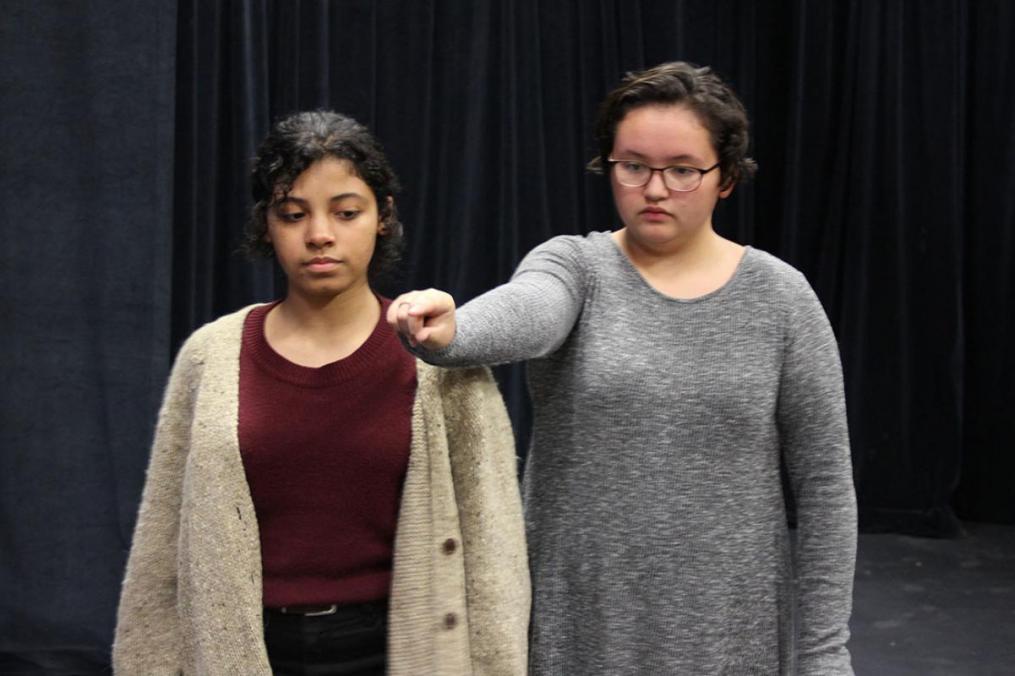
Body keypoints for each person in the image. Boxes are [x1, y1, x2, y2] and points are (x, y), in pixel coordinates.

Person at [389, 62, 857, 675]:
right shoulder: (576, 267)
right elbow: (532, 307)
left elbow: (825, 487)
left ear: (726, 179)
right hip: (581, 626)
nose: (655, 189)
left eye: (682, 170)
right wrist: (455, 330)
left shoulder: (780, 298)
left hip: (731, 636)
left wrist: (824, 656)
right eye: (633, 166)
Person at [113, 110, 529, 675]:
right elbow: (162, 545)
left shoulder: (437, 356)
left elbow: (492, 542)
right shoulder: (212, 355)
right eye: (293, 213)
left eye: (345, 211)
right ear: (266, 224)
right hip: (244, 648)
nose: (319, 234)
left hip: (399, 648)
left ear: (382, 217)